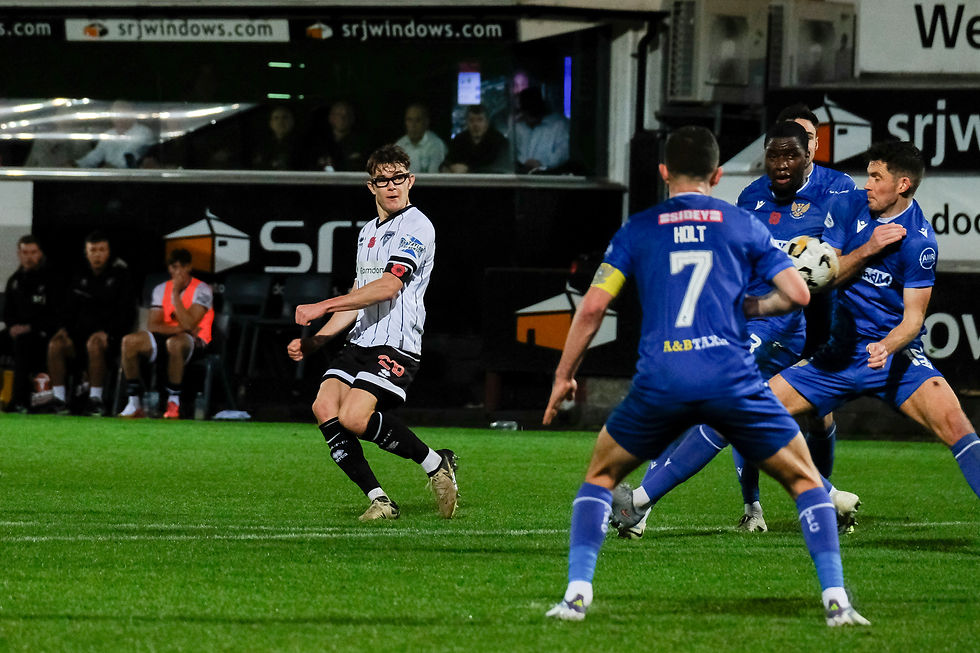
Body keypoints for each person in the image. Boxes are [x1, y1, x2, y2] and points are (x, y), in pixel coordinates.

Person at [542, 126, 868, 627]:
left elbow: (591, 309)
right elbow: (799, 295)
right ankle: (837, 603)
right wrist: (752, 305)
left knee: (601, 477)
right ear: (717, 175)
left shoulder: (637, 229)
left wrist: (565, 375)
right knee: (805, 482)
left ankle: (576, 596)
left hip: (661, 380)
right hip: (730, 380)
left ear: (663, 172)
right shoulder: (743, 225)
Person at [619, 122, 859, 539]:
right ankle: (805, 502)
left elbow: (832, 266)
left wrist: (823, 271)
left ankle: (640, 503)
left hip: (779, 326)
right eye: (773, 155)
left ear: (809, 155)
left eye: (790, 155)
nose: (781, 164)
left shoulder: (834, 196)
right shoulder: (750, 199)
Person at [770, 140, 980, 503]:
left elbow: (913, 321)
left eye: (876, 177)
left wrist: (886, 345)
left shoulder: (919, 242)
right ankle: (829, 498)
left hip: (894, 357)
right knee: (755, 410)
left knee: (956, 424)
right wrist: (868, 249)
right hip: (840, 352)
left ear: (902, 185)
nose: (866, 184)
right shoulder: (849, 206)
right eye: (868, 175)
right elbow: (827, 279)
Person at [286, 144, 458, 522]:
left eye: (399, 178)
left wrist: (322, 306)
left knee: (353, 417)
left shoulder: (417, 225)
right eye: (383, 180)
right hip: (361, 339)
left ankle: (435, 462)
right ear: (371, 186)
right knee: (324, 407)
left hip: (397, 341)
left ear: (410, 181)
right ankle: (380, 500)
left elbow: (389, 287)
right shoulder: (367, 232)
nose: (392, 185)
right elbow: (358, 296)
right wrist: (316, 340)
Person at [117, 248, 214, 419]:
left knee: (174, 344)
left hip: (195, 339)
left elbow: (190, 323)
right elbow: (153, 325)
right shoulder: (160, 289)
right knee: (129, 342)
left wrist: (175, 294)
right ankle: (134, 403)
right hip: (171, 334)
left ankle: (173, 402)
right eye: (174, 267)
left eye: (182, 267)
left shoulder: (202, 289)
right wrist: (178, 328)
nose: (178, 271)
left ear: (189, 267)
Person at [46, 232, 135, 416]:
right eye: (93, 250)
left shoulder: (121, 275)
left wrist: (109, 332)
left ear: (108, 252)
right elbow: (67, 308)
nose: (97, 255)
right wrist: (63, 329)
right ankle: (59, 399)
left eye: (101, 250)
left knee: (94, 343)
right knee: (56, 344)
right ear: (86, 253)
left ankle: (96, 399)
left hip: (110, 338)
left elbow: (126, 313)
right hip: (79, 336)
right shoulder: (78, 275)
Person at [1, 235, 60, 412]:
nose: (29, 257)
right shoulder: (14, 280)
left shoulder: (51, 279)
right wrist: (12, 327)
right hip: (17, 331)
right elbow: (7, 312)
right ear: (19, 254)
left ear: (40, 253)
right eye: (25, 252)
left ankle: (18, 400)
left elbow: (55, 314)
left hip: (42, 333)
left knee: (23, 343)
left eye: (33, 252)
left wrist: (30, 327)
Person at [75, 100, 155, 169]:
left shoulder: (143, 133)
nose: (118, 116)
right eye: (115, 112)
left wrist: (110, 168)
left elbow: (129, 162)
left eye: (122, 111)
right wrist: (75, 165)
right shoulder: (108, 134)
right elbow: (94, 157)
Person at [513, 87, 569, 173]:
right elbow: (510, 153)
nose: (529, 119)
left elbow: (563, 154)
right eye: (525, 112)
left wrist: (542, 165)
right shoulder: (518, 127)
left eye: (532, 112)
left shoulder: (559, 125)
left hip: (550, 176)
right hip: (519, 176)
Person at [441, 104, 511, 174]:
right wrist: (449, 168)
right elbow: (446, 163)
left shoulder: (499, 141)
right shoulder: (459, 140)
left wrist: (468, 170)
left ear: (487, 123)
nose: (475, 124)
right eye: (471, 120)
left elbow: (500, 169)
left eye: (480, 120)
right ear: (467, 122)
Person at [308, 100, 369, 172]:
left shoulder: (361, 143)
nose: (342, 118)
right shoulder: (318, 142)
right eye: (338, 114)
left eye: (347, 115)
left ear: (352, 118)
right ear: (330, 118)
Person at [394, 103, 447, 174]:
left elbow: (434, 177)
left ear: (426, 122)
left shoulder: (436, 145)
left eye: (418, 120)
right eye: (409, 120)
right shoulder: (399, 145)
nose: (413, 125)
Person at [249, 105, 302, 171]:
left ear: (292, 121)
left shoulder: (302, 145)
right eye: (276, 118)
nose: (281, 122)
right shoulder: (263, 146)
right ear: (271, 123)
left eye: (285, 117)